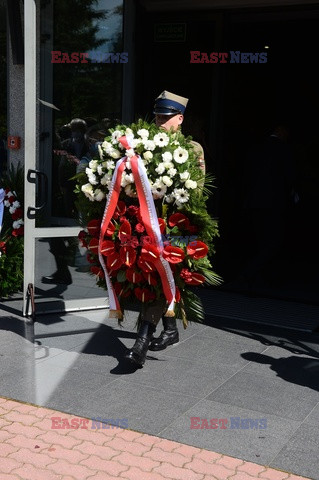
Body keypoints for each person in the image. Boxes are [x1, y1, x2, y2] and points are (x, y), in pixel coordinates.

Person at [125, 91, 205, 366]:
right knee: (156, 280)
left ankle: (141, 343)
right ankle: (170, 331)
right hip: (147, 224)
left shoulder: (192, 149)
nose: (159, 121)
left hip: (177, 227)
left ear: (180, 118)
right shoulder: (145, 146)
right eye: (157, 115)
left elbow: (197, 192)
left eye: (166, 116)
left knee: (163, 279)